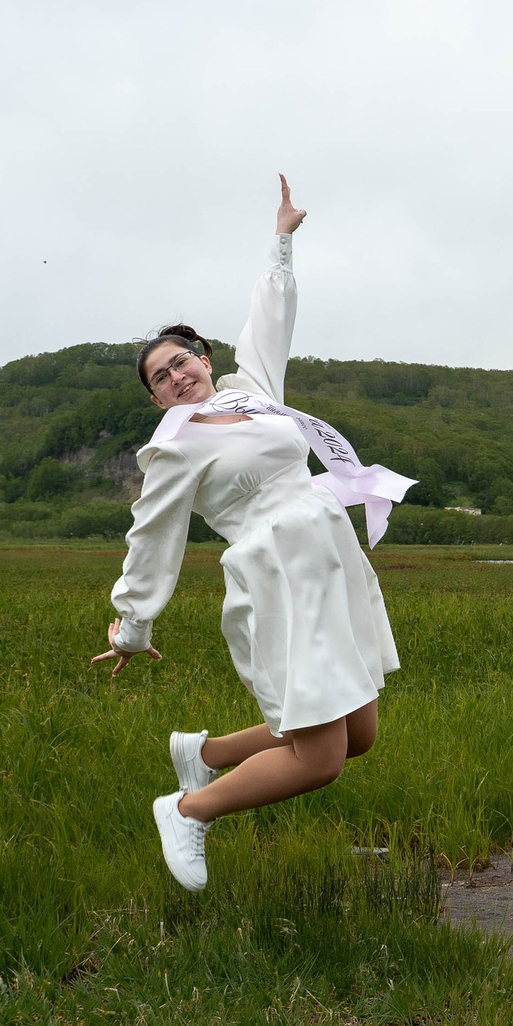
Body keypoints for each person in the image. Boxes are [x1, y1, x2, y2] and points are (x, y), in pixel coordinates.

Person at [95, 175, 414, 890]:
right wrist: (132, 624)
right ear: (154, 397)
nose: (175, 376)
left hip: (327, 556)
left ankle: (204, 754)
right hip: (278, 576)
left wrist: (282, 237)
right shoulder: (173, 444)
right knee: (320, 755)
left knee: (356, 734)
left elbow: (270, 317)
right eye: (160, 377)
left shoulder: (252, 392)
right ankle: (187, 807)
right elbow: (152, 534)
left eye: (181, 361)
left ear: (204, 359)